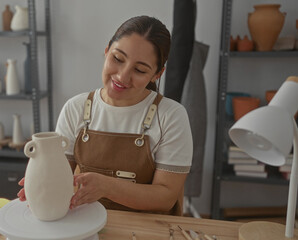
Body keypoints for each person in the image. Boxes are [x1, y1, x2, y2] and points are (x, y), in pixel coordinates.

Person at [18, 15, 192, 216]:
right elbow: (59, 173)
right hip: (85, 224)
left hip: (149, 230)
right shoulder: (76, 108)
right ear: (107, 50)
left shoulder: (171, 116)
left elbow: (165, 197)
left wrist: (107, 186)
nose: (122, 76)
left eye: (139, 70)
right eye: (117, 59)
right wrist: (43, 182)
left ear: (157, 74)